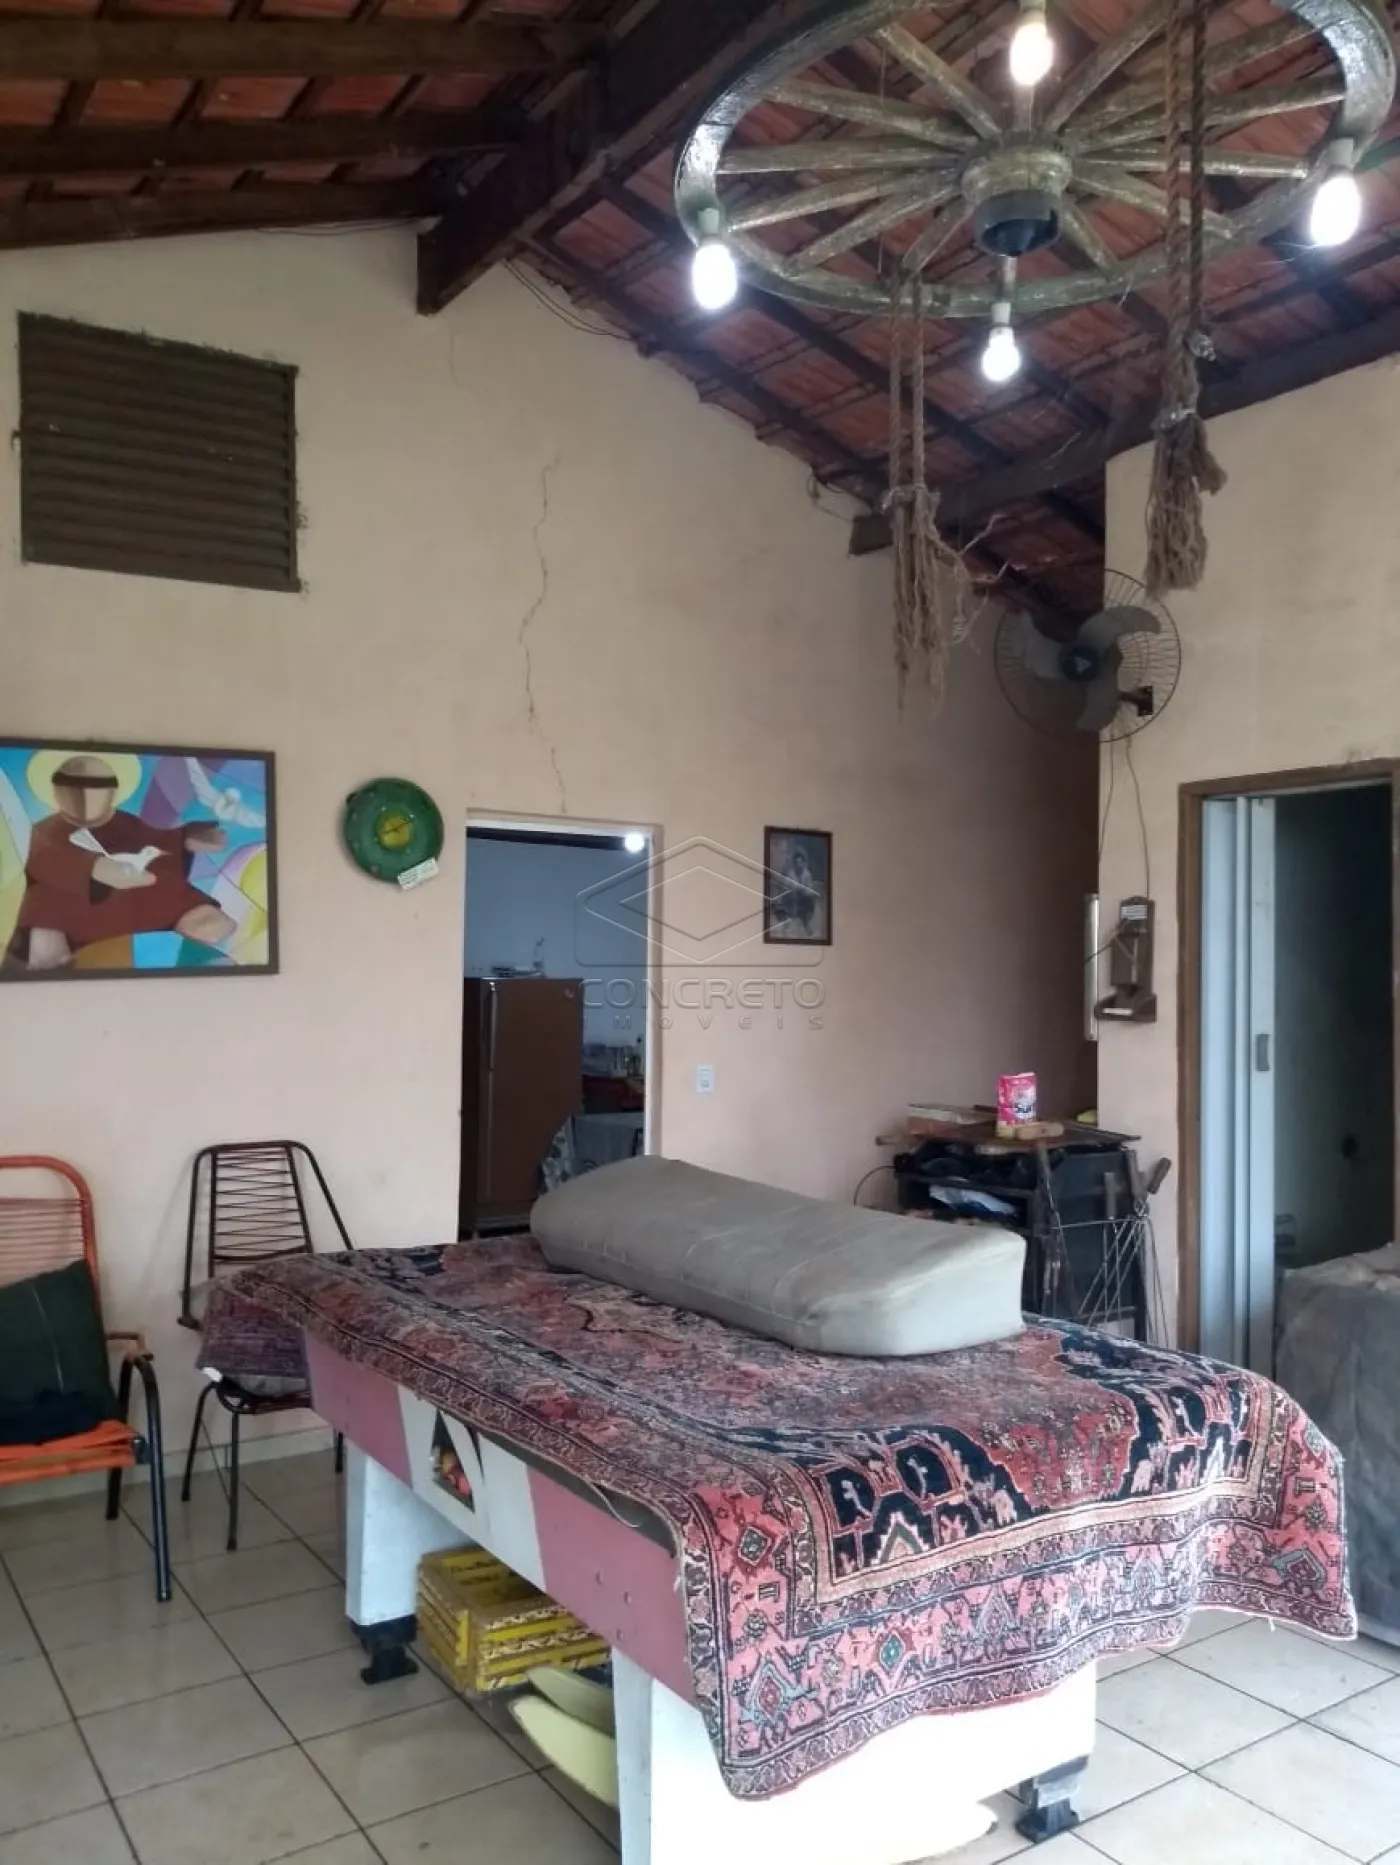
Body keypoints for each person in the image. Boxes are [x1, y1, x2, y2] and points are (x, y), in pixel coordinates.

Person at [7, 753, 235, 971]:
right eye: (73, 784)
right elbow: (46, 860)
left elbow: (158, 839)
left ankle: (188, 928)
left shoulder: (128, 823)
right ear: (58, 790)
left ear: (113, 791)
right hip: (77, 907)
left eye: (97, 786)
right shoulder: (44, 831)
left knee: (173, 895)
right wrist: (96, 869)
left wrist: (188, 837)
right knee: (44, 910)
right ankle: (51, 962)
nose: (85, 794)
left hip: (137, 897)